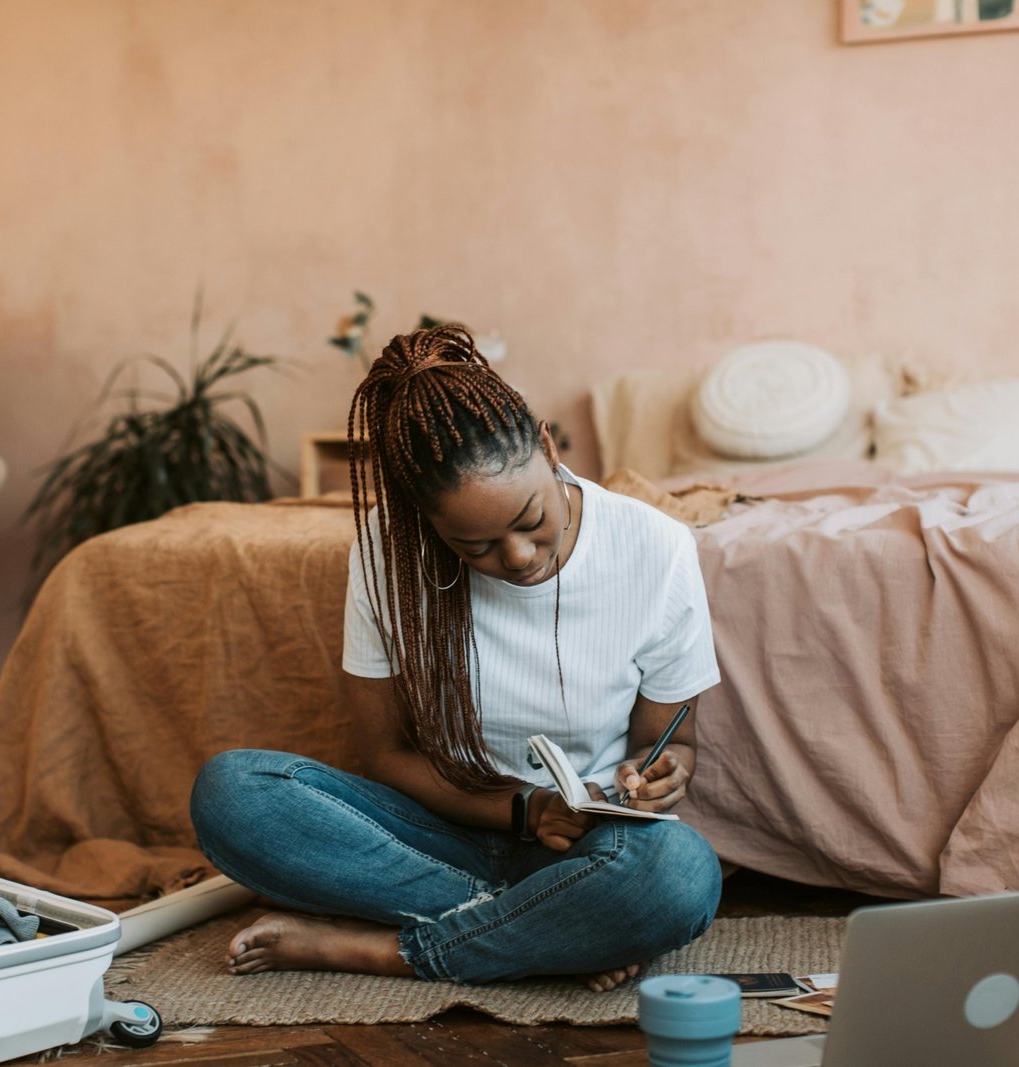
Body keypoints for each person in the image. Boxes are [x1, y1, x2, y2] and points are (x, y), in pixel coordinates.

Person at [190, 324, 722, 990]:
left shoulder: (657, 549)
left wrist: (662, 775)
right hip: (436, 835)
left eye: (531, 519)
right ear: (428, 522)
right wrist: (527, 810)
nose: (519, 558)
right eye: (476, 547)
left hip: (585, 845)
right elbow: (385, 755)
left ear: (547, 447)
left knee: (676, 874)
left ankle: (386, 950)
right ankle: (553, 930)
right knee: (234, 794)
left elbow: (671, 744)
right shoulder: (388, 553)